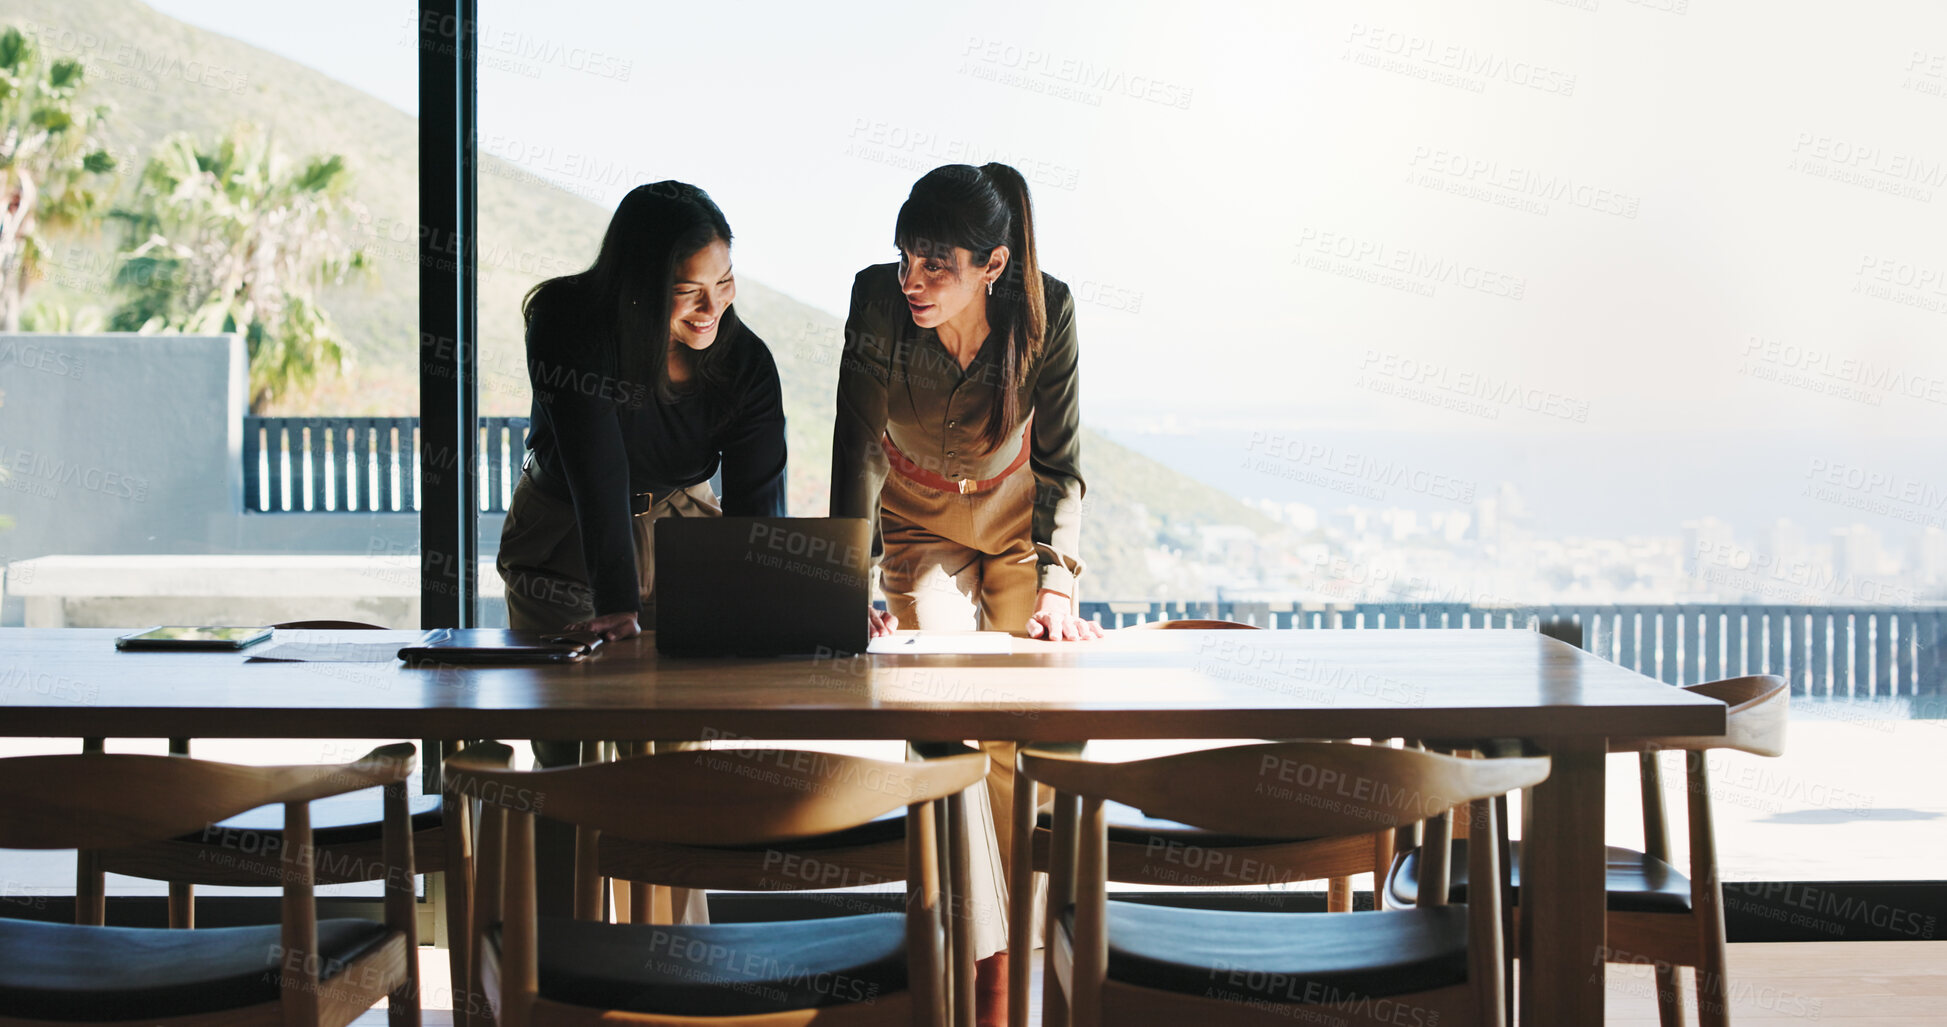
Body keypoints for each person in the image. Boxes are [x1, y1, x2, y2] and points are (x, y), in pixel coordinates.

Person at [829, 162, 1101, 1024]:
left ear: (991, 264)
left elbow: (1060, 462)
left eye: (936, 265)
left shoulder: (1045, 307)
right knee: (938, 704)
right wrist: (845, 577)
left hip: (1017, 521)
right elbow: (856, 442)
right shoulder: (876, 301)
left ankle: (1004, 958)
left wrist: (1056, 579)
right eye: (906, 257)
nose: (913, 280)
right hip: (916, 522)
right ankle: (974, 962)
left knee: (1030, 723)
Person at [497, 180, 785, 920]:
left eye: (723, 285)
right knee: (568, 758)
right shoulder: (565, 320)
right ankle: (559, 968)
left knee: (670, 765)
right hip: (565, 531)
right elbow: (597, 471)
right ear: (637, 286)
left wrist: (790, 607)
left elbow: (757, 505)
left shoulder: (746, 363)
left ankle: (671, 969)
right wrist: (618, 606)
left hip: (682, 535)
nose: (709, 310)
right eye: (686, 292)